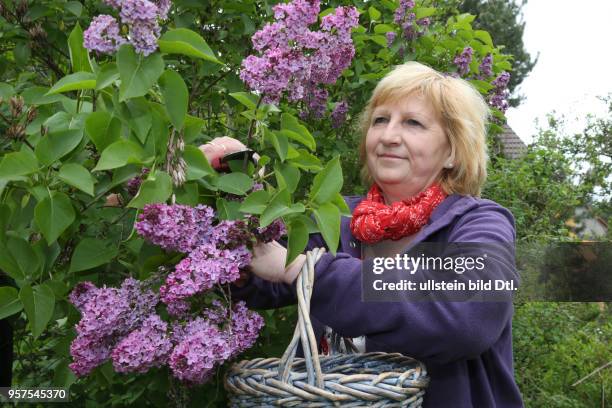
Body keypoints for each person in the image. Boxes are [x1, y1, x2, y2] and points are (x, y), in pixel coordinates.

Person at [201, 62, 524, 407]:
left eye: (413, 123)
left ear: (452, 152)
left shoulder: (479, 223)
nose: (388, 136)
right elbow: (258, 275)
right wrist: (235, 187)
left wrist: (304, 269)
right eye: (380, 120)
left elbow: (465, 317)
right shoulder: (338, 222)